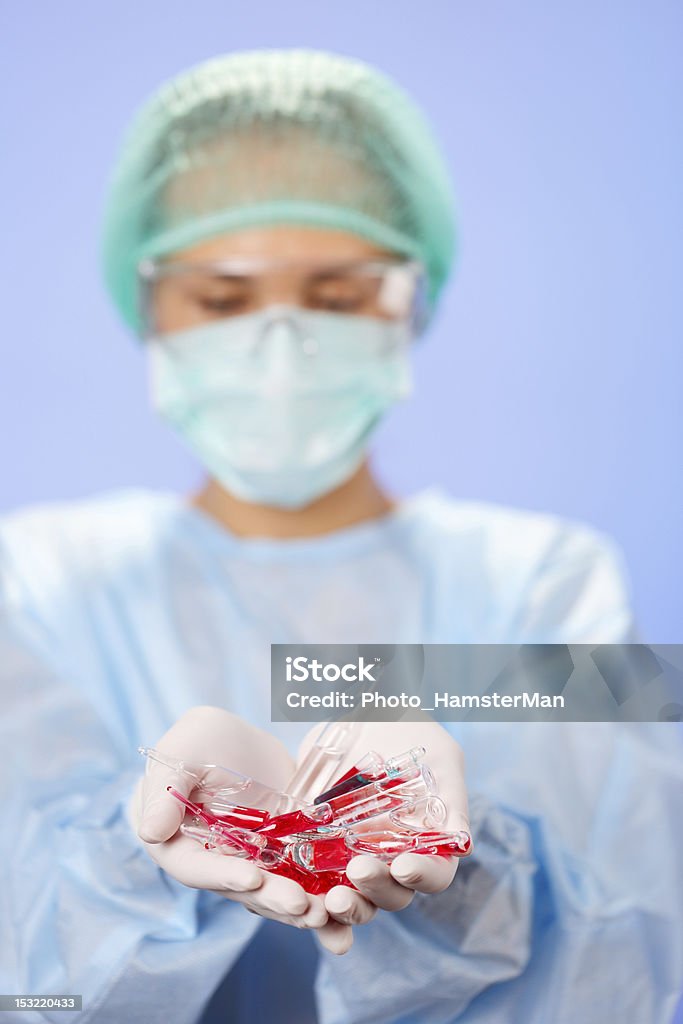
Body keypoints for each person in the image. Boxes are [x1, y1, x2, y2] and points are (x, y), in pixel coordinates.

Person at [1, 47, 681, 1024]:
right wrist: (132, 841)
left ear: (411, 300)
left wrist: (464, 860)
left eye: (334, 296)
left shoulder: (555, 578)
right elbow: (23, 961)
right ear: (150, 308)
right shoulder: (27, 577)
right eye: (224, 299)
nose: (279, 346)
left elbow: (622, 945)